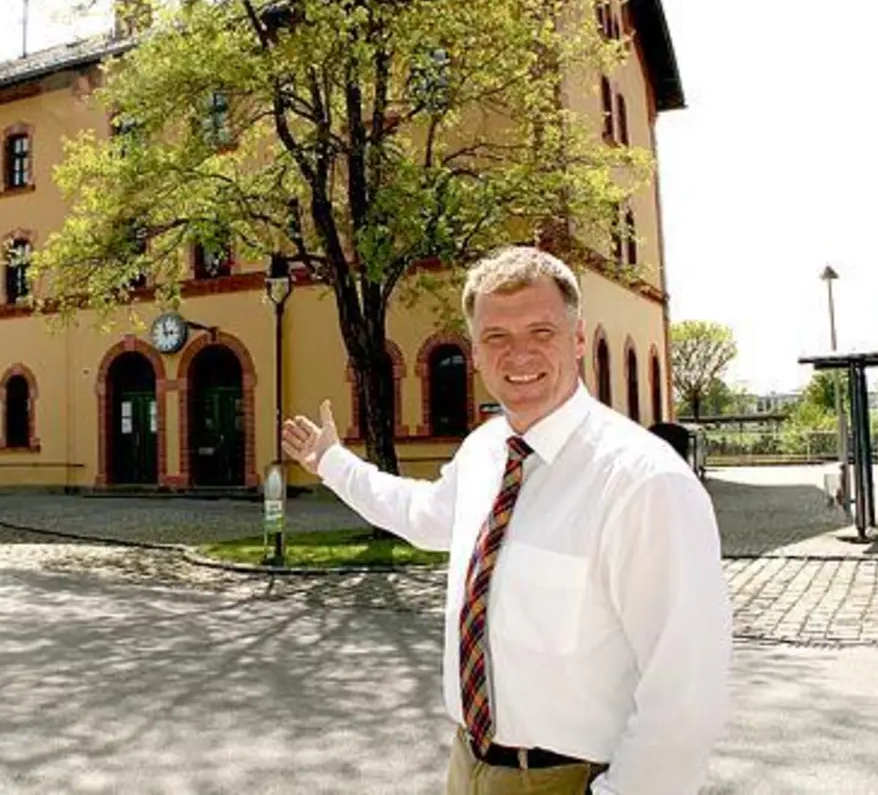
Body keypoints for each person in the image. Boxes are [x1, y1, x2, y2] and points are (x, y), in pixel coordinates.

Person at [282, 246, 731, 795]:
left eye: (541, 331)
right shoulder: (485, 450)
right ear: (475, 352)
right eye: (496, 337)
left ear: (579, 339)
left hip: (572, 780)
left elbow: (685, 691)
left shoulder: (642, 481)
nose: (519, 354)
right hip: (469, 766)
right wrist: (332, 463)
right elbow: (423, 516)